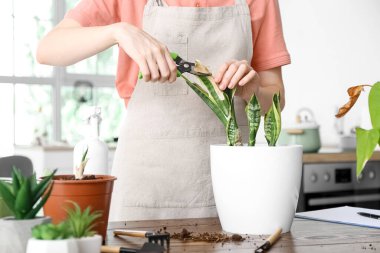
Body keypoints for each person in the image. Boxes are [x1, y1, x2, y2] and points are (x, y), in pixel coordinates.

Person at [37, 0, 290, 221]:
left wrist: (253, 90)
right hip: (145, 191)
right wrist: (118, 31)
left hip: (231, 190)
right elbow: (47, 49)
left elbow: (276, 98)